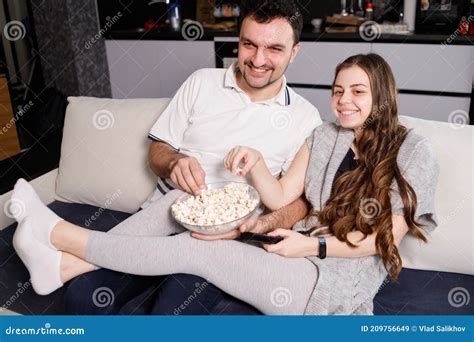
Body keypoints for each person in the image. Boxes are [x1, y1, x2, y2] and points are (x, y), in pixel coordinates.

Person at [10, 53, 439, 315]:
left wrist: (310, 246)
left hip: (329, 283)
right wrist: (254, 162)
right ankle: (65, 265)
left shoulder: (413, 151)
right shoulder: (325, 135)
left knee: (196, 249)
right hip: (293, 253)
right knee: (181, 211)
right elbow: (281, 196)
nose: (343, 101)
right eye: (338, 90)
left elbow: (387, 238)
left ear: (382, 95)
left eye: (358, 92)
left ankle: (59, 236)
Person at [55, 0, 322, 315]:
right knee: (82, 298)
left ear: (295, 51)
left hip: (223, 240)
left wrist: (263, 224)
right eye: (249, 44)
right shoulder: (202, 82)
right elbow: (157, 150)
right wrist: (173, 162)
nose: (258, 60)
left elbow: (305, 199)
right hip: (160, 219)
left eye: (274, 49)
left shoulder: (306, 118)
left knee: (171, 312)